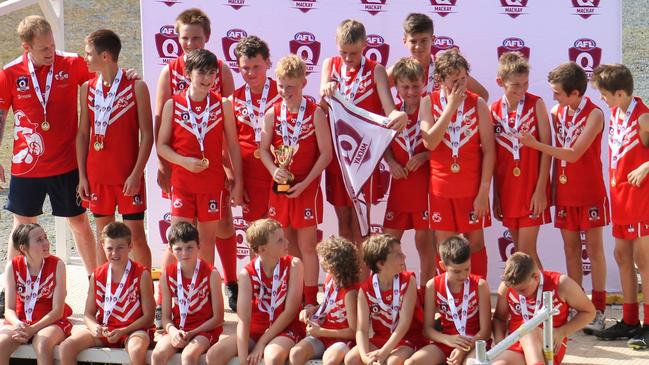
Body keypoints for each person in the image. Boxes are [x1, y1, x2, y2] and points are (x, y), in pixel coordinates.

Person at [154, 8, 239, 311]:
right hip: (181, 168)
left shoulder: (220, 70)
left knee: (221, 227)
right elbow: (159, 118)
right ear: (177, 39)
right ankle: (166, 299)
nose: (190, 44)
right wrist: (165, 164)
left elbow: (228, 124)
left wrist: (230, 168)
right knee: (179, 233)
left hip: (213, 169)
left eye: (196, 38)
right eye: (185, 38)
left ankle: (229, 284)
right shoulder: (169, 71)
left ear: (208, 38)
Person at [0, 15, 97, 274]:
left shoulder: (72, 62)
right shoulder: (10, 73)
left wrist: (126, 75)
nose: (51, 52)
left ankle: (95, 284)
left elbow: (103, 80)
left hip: (67, 162)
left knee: (78, 221)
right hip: (27, 165)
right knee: (22, 226)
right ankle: (10, 290)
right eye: (44, 48)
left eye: (52, 45)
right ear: (26, 47)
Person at [518, 62, 609, 334]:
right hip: (565, 190)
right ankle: (577, 303)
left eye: (557, 93)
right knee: (570, 249)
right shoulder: (558, 112)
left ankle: (600, 308)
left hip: (590, 191)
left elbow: (573, 153)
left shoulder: (595, 114)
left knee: (593, 249)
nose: (554, 98)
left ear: (575, 93)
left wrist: (536, 145)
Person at [320, 19, 407, 252]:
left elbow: (390, 110)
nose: (348, 58)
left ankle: (364, 282)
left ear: (366, 45)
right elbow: (322, 106)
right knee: (344, 223)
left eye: (354, 53)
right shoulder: (330, 65)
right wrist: (325, 92)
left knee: (362, 225)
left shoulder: (376, 70)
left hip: (364, 158)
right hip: (339, 158)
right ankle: (348, 278)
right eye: (343, 52)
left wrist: (401, 115)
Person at [76, 29, 153, 268]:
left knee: (136, 237)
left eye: (89, 54)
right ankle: (104, 292)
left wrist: (137, 174)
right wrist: (82, 177)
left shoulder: (136, 87)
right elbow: (82, 135)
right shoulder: (87, 89)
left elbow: (147, 135)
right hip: (97, 176)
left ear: (106, 56)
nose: (85, 58)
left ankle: (145, 294)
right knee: (105, 238)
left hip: (128, 176)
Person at [260, 54, 332, 305]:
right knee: (284, 245)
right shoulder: (272, 113)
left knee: (308, 246)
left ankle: (311, 300)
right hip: (279, 187)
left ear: (304, 82)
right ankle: (291, 297)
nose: (284, 91)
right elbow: (263, 150)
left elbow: (326, 154)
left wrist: (307, 183)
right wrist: (272, 170)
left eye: (290, 86)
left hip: (307, 188)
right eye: (280, 85)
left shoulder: (315, 114)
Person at [420, 49, 495, 280]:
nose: (461, 85)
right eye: (454, 81)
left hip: (471, 189)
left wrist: (484, 191)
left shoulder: (478, 103)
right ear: (441, 80)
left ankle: (478, 301)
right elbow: (430, 141)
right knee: (446, 248)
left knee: (475, 243)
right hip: (441, 189)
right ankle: (449, 306)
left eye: (464, 79)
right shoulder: (428, 102)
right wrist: (450, 107)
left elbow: (490, 151)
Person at [591, 64, 649, 348]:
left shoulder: (644, 117)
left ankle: (648, 325)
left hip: (641, 199)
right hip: (620, 198)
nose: (602, 99)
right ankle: (629, 319)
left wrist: (646, 166)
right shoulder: (616, 112)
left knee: (644, 261)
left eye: (605, 94)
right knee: (622, 257)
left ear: (621, 93)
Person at [206, 218, 304, 365]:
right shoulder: (247, 273)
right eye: (280, 240)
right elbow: (244, 320)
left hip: (286, 327)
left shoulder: (294, 264)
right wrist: (243, 359)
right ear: (262, 249)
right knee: (213, 355)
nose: (287, 242)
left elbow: (291, 311)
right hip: (256, 329)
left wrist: (261, 343)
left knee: (273, 357)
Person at [59, 222, 155, 365]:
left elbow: (149, 317)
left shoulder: (142, 274)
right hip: (106, 330)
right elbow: (88, 314)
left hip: (134, 331)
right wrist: (94, 327)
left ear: (130, 247)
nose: (115, 253)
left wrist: (123, 330)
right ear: (102, 246)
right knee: (66, 347)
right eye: (110, 248)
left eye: (120, 248)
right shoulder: (97, 275)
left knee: (136, 350)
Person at [489, 52, 552, 270]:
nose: (521, 90)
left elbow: (547, 150)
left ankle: (546, 300)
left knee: (526, 252)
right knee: (519, 251)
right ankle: (531, 300)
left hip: (531, 188)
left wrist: (541, 189)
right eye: (515, 85)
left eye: (525, 84)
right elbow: (494, 158)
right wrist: (496, 195)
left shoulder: (537, 104)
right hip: (507, 189)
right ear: (500, 82)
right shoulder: (493, 111)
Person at [382, 57, 435, 287]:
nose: (411, 91)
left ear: (424, 82)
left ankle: (427, 296)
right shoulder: (391, 111)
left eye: (415, 86)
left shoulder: (431, 107)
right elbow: (382, 145)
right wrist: (391, 162)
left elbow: (445, 145)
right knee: (387, 245)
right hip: (400, 186)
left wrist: (424, 156)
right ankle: (386, 293)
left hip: (423, 187)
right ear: (396, 87)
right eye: (405, 86)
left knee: (425, 244)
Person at [491, 252, 595, 365]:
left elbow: (589, 312)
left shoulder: (561, 283)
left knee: (528, 330)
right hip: (516, 343)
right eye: (514, 289)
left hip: (550, 342)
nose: (517, 293)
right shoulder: (507, 286)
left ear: (536, 277)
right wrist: (500, 345)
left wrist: (562, 332)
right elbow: (499, 319)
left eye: (522, 289)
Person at [406, 236, 491, 365]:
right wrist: (447, 339)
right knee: (411, 363)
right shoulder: (432, 285)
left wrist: (463, 348)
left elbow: (485, 332)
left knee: (472, 364)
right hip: (446, 341)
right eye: (456, 271)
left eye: (467, 269)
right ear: (443, 266)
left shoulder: (480, 285)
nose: (463, 275)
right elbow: (427, 330)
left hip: (473, 343)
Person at [345, 234, 425, 365]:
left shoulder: (408, 280)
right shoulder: (365, 290)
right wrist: (365, 357)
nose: (404, 257)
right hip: (380, 339)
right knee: (351, 359)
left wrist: (384, 352)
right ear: (381, 263)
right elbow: (362, 330)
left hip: (407, 339)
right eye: (398, 254)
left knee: (392, 362)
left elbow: (404, 324)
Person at [151, 222, 224, 365]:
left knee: (189, 356)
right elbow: (165, 317)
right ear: (170, 250)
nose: (184, 253)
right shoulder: (167, 275)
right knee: (158, 355)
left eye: (189, 247)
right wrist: (172, 332)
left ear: (198, 247)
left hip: (205, 331)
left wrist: (192, 333)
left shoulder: (212, 274)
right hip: (179, 329)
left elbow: (218, 318)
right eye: (178, 249)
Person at [0, 224, 72, 365]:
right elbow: (9, 309)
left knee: (43, 344)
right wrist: (18, 324)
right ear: (23, 248)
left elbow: (58, 311)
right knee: (1, 345)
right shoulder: (12, 266)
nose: (46, 243)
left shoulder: (58, 265)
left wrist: (33, 329)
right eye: (39, 240)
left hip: (50, 321)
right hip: (20, 320)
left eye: (45, 237)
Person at [231, 36, 280, 222]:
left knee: (282, 236)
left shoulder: (283, 92)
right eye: (245, 68)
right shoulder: (234, 99)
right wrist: (237, 181)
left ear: (267, 63)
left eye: (256, 67)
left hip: (279, 174)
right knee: (256, 237)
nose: (251, 73)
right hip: (250, 179)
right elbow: (230, 145)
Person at [289, 236, 360, 365]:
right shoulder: (330, 279)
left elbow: (354, 332)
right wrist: (312, 310)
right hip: (322, 334)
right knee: (296, 354)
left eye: (324, 257)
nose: (321, 260)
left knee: (330, 361)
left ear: (333, 265)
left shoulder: (350, 293)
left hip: (340, 339)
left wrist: (322, 332)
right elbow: (330, 304)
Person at [387, 12, 488, 101]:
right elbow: (375, 92)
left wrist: (456, 114)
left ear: (433, 39)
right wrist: (392, 111)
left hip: (439, 122)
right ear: (404, 41)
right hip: (408, 122)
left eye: (424, 40)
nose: (418, 46)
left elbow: (483, 95)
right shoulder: (399, 68)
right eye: (413, 41)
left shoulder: (445, 67)